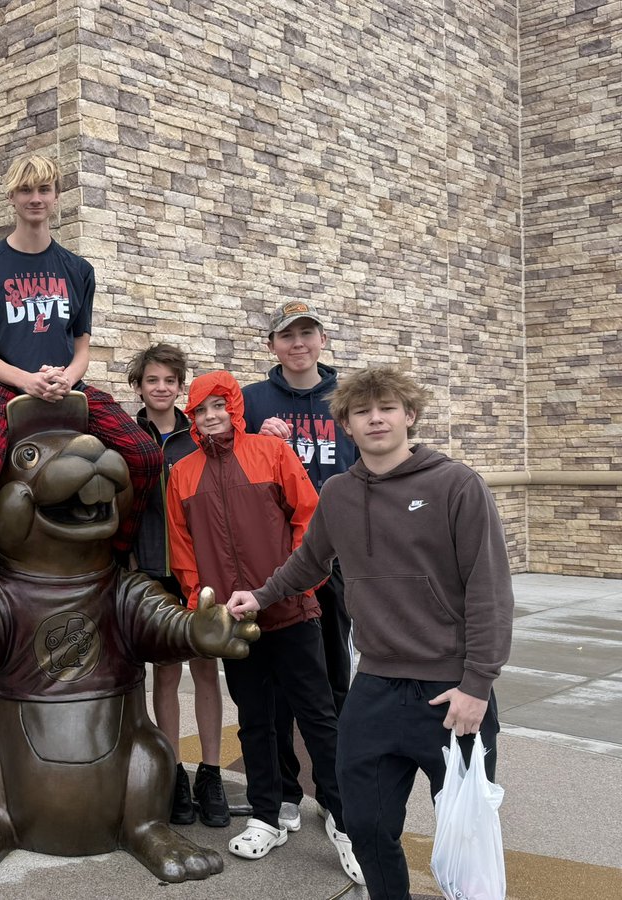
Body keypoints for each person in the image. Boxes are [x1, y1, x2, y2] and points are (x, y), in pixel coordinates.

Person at [227, 366, 513, 900]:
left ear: (410, 415)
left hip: (450, 691)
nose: (375, 418)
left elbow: (489, 589)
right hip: (376, 687)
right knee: (366, 824)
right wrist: (261, 596)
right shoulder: (337, 492)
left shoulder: (456, 485)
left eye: (386, 408)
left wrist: (478, 684)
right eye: (362, 411)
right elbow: (309, 561)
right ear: (346, 426)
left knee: (467, 838)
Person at [0, 152, 161, 611]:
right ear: (12, 197)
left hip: (64, 381)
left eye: (43, 190)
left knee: (144, 455)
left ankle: (121, 553)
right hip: (3, 384)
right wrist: (27, 382)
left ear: (57, 197)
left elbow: (82, 346)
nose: (35, 198)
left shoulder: (77, 269)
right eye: (25, 190)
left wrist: (67, 380)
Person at [166, 370, 361, 883]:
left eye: (218, 407)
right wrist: (200, 607)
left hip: (290, 608)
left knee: (317, 715)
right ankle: (266, 814)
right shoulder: (182, 473)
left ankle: (344, 817)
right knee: (253, 719)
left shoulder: (272, 454)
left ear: (235, 407)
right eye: (200, 410)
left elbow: (309, 518)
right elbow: (183, 549)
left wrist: (299, 582)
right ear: (193, 417)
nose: (210, 417)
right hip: (232, 622)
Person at [241, 299, 358, 832]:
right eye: (287, 336)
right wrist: (255, 444)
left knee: (332, 678)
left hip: (334, 557)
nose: (298, 344)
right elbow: (229, 467)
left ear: (322, 340)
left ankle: (336, 795)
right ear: (272, 346)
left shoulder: (349, 399)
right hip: (272, 562)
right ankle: (285, 792)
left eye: (307, 334)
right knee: (277, 688)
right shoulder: (251, 401)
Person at [126, 343, 227, 828]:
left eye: (169, 380)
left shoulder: (198, 435)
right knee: (166, 673)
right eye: (152, 381)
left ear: (179, 386)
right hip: (150, 570)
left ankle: (211, 772)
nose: (161, 388)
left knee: (206, 669)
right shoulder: (126, 436)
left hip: (198, 571)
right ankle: (174, 771)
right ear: (139, 386)